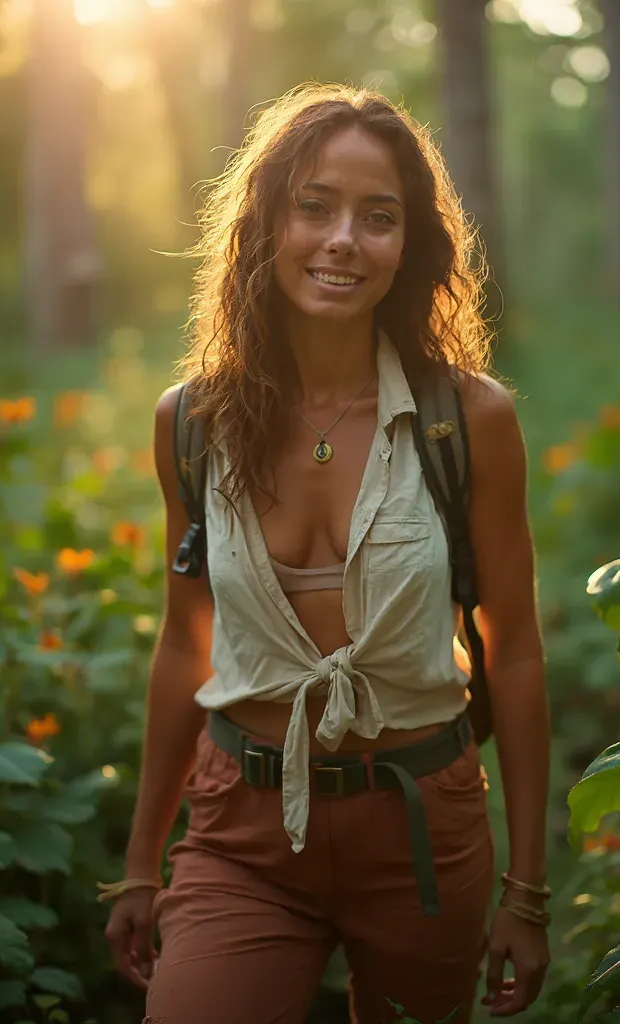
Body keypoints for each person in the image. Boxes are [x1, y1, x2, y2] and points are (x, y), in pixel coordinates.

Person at [101, 83, 551, 1023]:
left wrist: (528, 890)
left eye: (377, 217)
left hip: (422, 823)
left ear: (409, 245)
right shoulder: (191, 422)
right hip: (241, 830)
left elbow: (512, 650)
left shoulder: (469, 420)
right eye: (315, 205)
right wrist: (141, 863)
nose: (344, 238)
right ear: (267, 222)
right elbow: (187, 641)